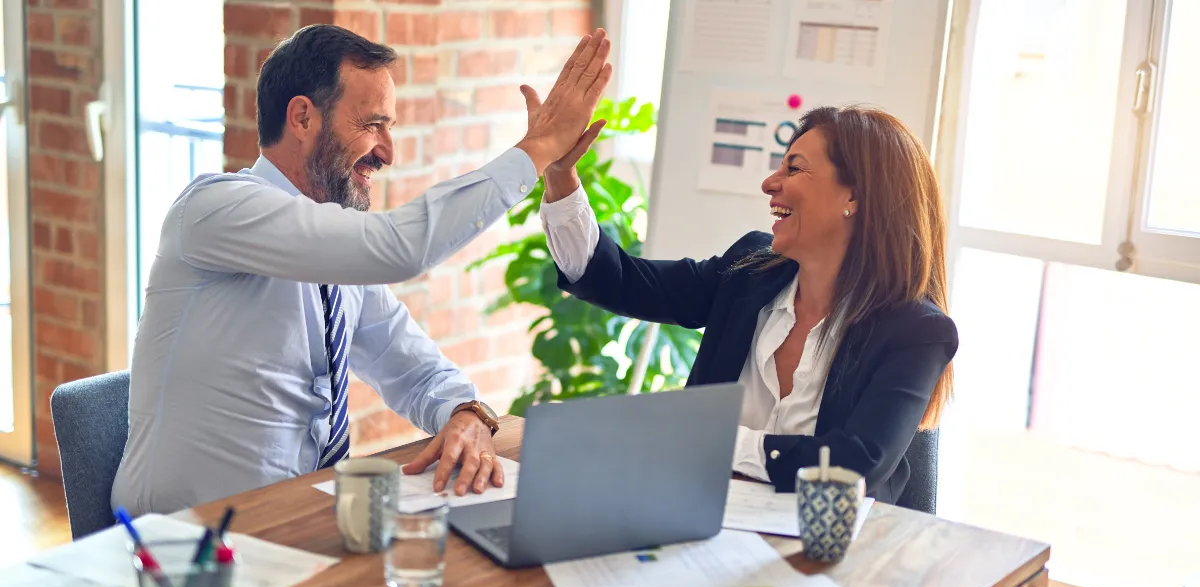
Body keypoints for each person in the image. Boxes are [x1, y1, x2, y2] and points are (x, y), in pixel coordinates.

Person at [111, 24, 613, 515]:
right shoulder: (216, 209)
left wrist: (466, 412)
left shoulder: (335, 256)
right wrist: (538, 149)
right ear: (302, 118)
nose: (387, 152)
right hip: (181, 540)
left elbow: (413, 367)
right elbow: (400, 248)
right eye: (373, 125)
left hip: (295, 523)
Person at [538, 105, 957, 504]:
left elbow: (855, 464)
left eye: (794, 168)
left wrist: (713, 440)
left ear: (855, 197)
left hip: (830, 545)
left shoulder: (917, 332)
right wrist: (560, 174)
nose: (770, 184)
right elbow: (619, 281)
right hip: (700, 520)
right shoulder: (749, 272)